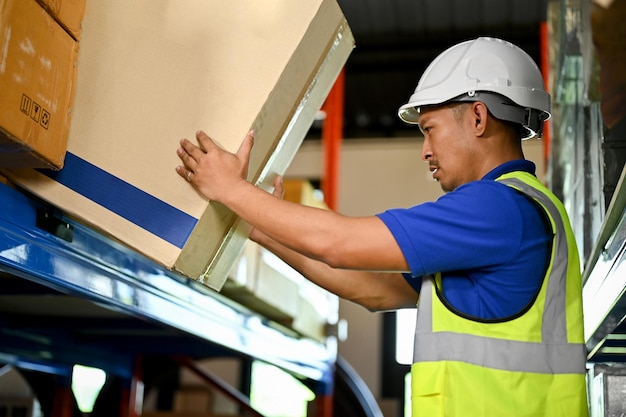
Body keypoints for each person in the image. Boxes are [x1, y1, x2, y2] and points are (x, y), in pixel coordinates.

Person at [176, 37, 588, 416]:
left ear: (478, 117)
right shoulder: (514, 212)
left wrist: (231, 188)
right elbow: (368, 286)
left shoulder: (499, 208)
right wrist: (257, 225)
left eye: (429, 130)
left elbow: (337, 243)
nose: (425, 151)